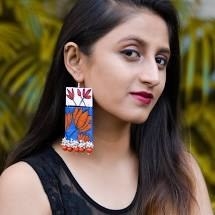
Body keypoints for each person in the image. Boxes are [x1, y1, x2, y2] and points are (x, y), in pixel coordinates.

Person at [0, 0, 213, 214]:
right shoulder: (26, 184)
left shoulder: (181, 172)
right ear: (75, 60)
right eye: (131, 53)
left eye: (160, 60)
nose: (153, 77)